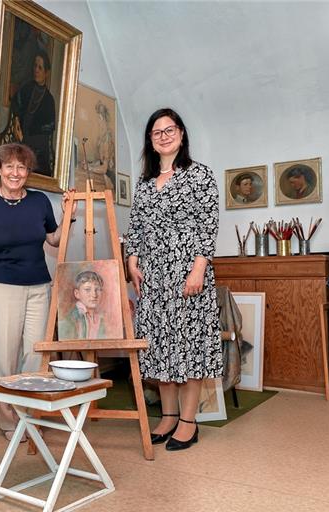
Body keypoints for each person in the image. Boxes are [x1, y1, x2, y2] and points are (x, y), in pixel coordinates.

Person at [124, 108, 222, 451]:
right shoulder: (145, 182)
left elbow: (207, 224)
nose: (163, 136)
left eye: (170, 129)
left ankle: (188, 422)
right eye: (156, 132)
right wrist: (132, 260)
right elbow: (135, 226)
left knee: (189, 346)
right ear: (150, 140)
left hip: (186, 273)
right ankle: (167, 417)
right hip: (153, 276)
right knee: (161, 346)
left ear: (181, 134)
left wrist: (198, 268)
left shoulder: (199, 176)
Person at [0, 143, 75, 440]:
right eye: (9, 167)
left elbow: (54, 240)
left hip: (39, 286)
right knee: (5, 357)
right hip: (0, 286)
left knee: (34, 355)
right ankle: (8, 422)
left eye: (22, 167)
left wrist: (68, 214)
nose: (15, 173)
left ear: (28, 172)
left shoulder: (40, 201)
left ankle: (29, 416)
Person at [0, 50, 56, 176]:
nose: (36, 70)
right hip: (19, 137)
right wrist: (17, 121)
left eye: (40, 67)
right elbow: (16, 107)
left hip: (37, 148)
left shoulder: (49, 100)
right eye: (35, 65)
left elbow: (46, 133)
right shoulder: (26, 88)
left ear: (46, 72)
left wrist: (25, 139)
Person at [59, 270, 106, 340]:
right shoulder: (70, 320)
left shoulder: (101, 319)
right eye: (87, 289)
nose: (94, 294)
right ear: (77, 293)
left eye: (98, 289)